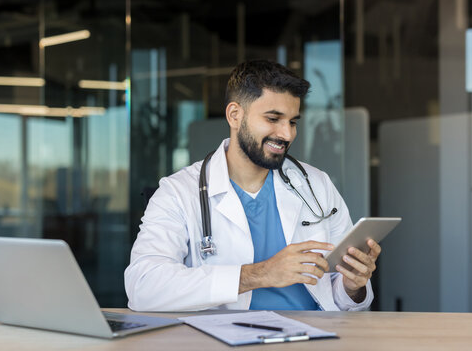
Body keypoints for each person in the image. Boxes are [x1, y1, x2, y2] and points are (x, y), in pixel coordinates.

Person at [125, 60, 380, 312]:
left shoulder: (316, 184)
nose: (287, 134)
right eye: (273, 118)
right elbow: (143, 287)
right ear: (235, 115)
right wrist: (259, 274)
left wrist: (352, 286)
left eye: (292, 122)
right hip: (223, 339)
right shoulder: (178, 192)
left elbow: (337, 297)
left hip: (313, 335)